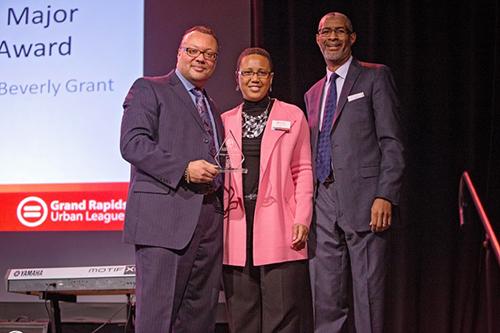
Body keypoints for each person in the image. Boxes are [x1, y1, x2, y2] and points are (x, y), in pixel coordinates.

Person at [305, 12, 405, 333]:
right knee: (326, 298)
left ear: (352, 37)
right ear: (318, 39)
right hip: (324, 201)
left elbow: (391, 140)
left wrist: (385, 194)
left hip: (366, 201)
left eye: (339, 32)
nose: (332, 38)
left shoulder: (374, 77)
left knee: (368, 297)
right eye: (326, 32)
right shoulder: (313, 93)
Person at [120, 26, 223, 332]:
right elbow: (132, 143)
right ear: (179, 53)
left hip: (207, 223)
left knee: (198, 320)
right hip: (163, 224)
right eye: (192, 51)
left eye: (209, 54)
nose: (200, 58)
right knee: (157, 320)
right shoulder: (149, 88)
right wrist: (183, 168)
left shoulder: (211, 106)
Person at [221, 47, 314, 333]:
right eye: (247, 72)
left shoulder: (293, 115)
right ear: (237, 78)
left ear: (271, 78)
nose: (254, 78)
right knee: (242, 318)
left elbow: (303, 170)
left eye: (261, 72)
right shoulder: (224, 120)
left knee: (283, 316)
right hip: (236, 230)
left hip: (281, 226)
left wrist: (302, 218)